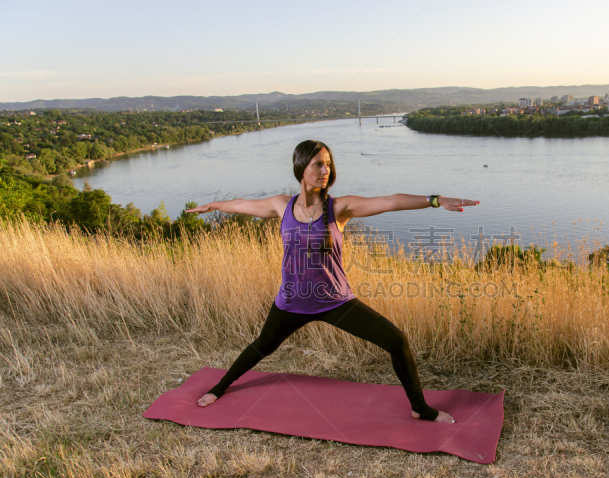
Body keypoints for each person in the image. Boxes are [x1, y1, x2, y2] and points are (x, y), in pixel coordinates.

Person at [187, 140, 479, 423]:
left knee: (396, 340)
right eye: (318, 164)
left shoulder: (339, 208)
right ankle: (219, 387)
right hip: (292, 301)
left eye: (328, 164)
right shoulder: (281, 206)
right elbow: (241, 204)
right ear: (301, 166)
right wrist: (214, 205)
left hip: (335, 301)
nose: (325, 170)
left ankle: (420, 408)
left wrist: (436, 200)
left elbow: (390, 201)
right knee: (262, 346)